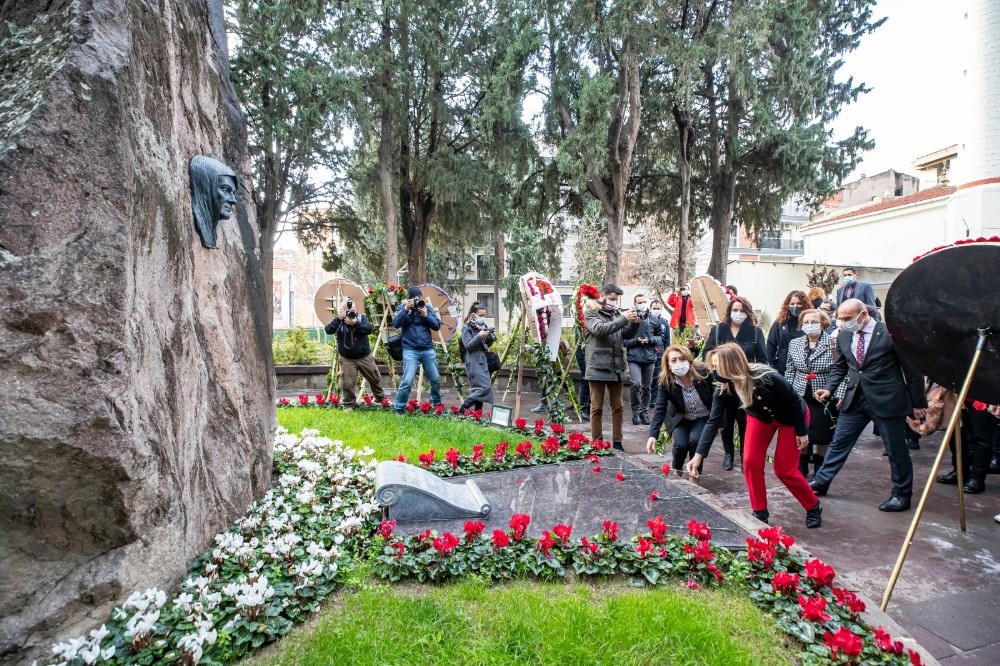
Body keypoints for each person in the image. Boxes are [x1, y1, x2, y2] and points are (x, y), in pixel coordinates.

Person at [686, 343, 822, 528]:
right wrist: (698, 457)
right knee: (750, 461)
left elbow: (794, 400)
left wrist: (802, 432)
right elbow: (713, 422)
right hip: (760, 417)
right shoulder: (723, 387)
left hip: (791, 417)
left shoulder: (766, 376)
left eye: (718, 366)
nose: (715, 371)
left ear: (731, 364)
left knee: (784, 469)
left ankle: (813, 505)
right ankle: (760, 511)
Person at [810, 299, 927, 511]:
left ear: (863, 315)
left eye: (847, 319)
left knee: (895, 449)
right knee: (839, 442)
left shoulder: (891, 334)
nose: (843, 323)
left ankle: (901, 495)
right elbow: (841, 367)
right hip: (855, 399)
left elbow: (913, 371)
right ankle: (822, 481)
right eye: (840, 319)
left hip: (887, 399)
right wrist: (829, 388)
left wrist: (918, 403)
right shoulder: (845, 335)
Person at [701, 296, 767, 471]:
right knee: (726, 421)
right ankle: (728, 453)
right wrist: (718, 364)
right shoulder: (718, 330)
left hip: (745, 385)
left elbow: (763, 359)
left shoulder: (755, 332)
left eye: (742, 310)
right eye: (735, 310)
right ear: (729, 312)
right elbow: (706, 353)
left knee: (745, 420)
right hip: (723, 383)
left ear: (748, 313)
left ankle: (745, 454)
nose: (738, 314)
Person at [583, 283, 641, 451]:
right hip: (597, 367)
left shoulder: (616, 313)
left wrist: (635, 323)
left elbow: (625, 335)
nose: (614, 302)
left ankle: (617, 441)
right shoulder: (591, 312)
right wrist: (623, 319)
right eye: (612, 299)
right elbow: (600, 330)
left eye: (616, 299)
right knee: (596, 407)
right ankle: (597, 442)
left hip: (616, 366)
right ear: (602, 296)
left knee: (618, 407)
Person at [784, 308, 839, 478]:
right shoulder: (795, 343)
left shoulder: (832, 343)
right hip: (800, 393)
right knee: (802, 428)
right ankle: (802, 462)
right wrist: (787, 393)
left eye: (814, 322)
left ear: (823, 323)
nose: (810, 325)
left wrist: (839, 393)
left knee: (822, 432)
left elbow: (841, 370)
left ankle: (819, 463)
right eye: (806, 322)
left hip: (824, 393)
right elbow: (790, 369)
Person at [646, 345, 713, 478]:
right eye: (674, 360)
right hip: (681, 418)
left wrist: (720, 423)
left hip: (702, 416)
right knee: (680, 444)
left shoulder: (703, 372)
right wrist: (653, 434)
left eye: (682, 359)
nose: (678, 363)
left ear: (689, 360)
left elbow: (717, 398)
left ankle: (695, 474)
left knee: (695, 441)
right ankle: (677, 471)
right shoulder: (666, 381)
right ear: (668, 365)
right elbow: (660, 407)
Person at [324, 298, 385, 409]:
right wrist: (338, 319)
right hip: (347, 358)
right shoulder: (338, 320)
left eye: (352, 309)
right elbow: (328, 330)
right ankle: (348, 405)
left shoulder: (361, 318)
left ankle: (380, 399)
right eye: (346, 309)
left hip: (364, 356)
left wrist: (356, 323)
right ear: (342, 309)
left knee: (375, 378)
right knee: (347, 383)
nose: (350, 311)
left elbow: (368, 329)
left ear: (356, 309)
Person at [393, 286, 443, 412]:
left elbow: (437, 326)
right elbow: (396, 324)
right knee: (407, 380)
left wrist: (426, 315)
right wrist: (406, 309)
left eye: (419, 298)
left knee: (435, 378)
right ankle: (399, 407)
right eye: (414, 298)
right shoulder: (402, 308)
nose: (417, 300)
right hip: (410, 349)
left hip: (427, 349)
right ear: (408, 299)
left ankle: (437, 404)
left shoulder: (427, 308)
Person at [937, 400, 998, 494]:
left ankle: (977, 478)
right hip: (958, 394)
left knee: (982, 437)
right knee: (955, 432)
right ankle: (960, 471)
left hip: (984, 396)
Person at [624, 293, 663, 425]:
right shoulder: (629, 319)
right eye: (640, 302)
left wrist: (650, 340)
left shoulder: (653, 319)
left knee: (647, 387)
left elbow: (660, 338)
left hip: (649, 357)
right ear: (635, 304)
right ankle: (635, 413)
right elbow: (623, 340)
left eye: (644, 301)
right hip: (634, 357)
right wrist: (636, 342)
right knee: (636, 384)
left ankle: (644, 413)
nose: (643, 304)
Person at [459, 302, 496, 414]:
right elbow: (468, 346)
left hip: (482, 360)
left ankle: (477, 414)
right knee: (485, 388)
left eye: (484, 315)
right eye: (481, 315)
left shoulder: (482, 326)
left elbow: (485, 346)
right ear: (474, 315)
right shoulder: (467, 327)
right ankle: (463, 408)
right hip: (473, 360)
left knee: (478, 388)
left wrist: (490, 338)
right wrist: (480, 336)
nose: (483, 318)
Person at [766, 290, 807, 375]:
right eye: (792, 304)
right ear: (787, 305)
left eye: (799, 303)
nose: (795, 306)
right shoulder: (780, 322)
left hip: (804, 364)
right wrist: (770, 366)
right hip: (783, 364)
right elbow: (771, 345)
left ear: (804, 305)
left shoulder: (808, 321)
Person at [647, 300, 670, 409]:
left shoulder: (664, 323)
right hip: (648, 351)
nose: (656, 310)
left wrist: (667, 353)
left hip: (659, 352)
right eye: (654, 308)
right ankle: (646, 398)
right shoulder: (646, 320)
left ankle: (653, 400)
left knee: (656, 376)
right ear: (650, 308)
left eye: (658, 308)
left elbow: (667, 340)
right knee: (648, 377)